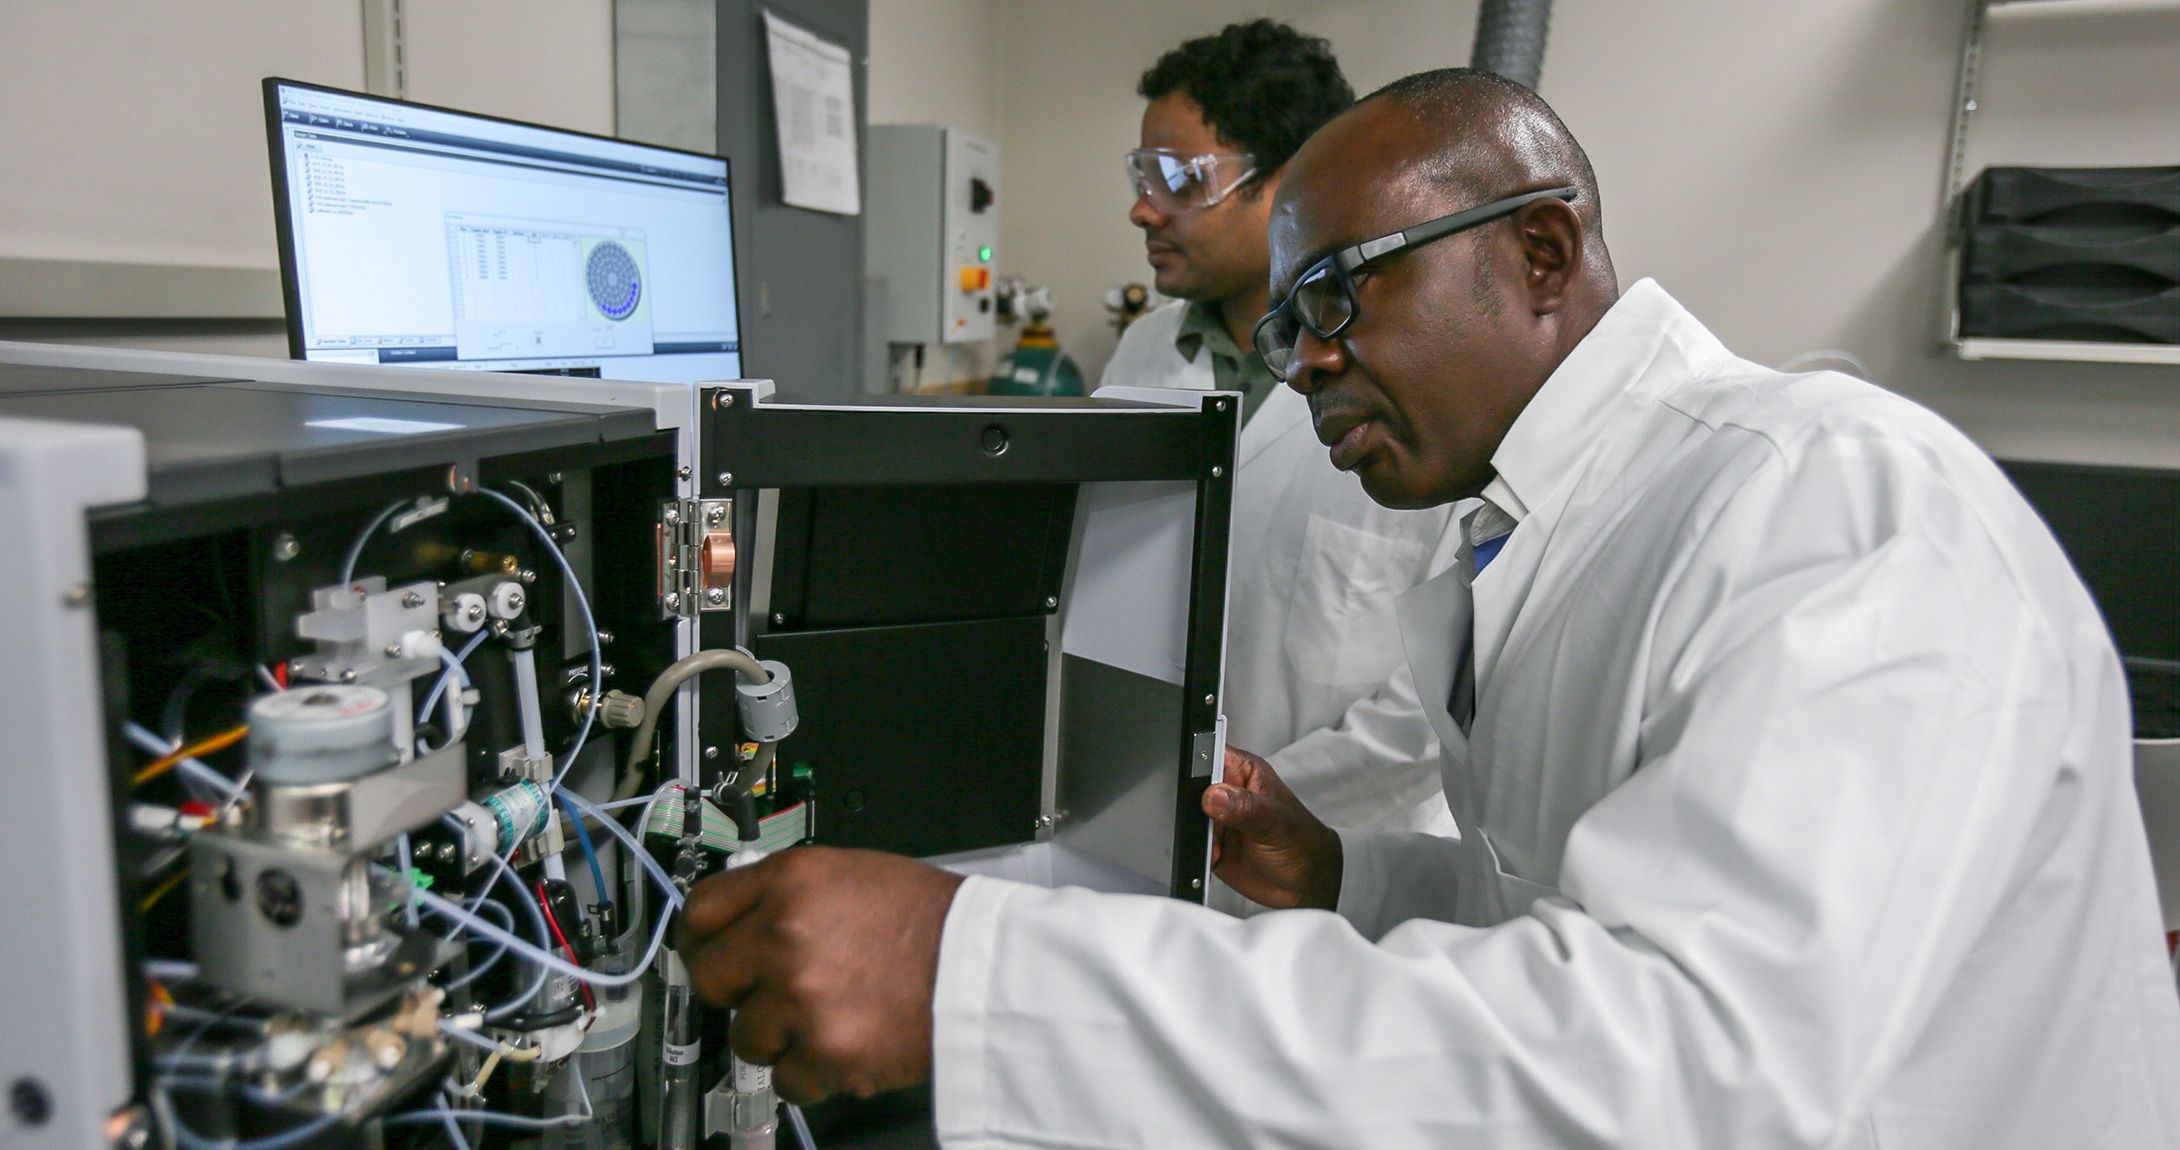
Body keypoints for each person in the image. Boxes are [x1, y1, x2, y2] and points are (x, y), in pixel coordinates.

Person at [678, 69, 2180, 1147]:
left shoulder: (1835, 509)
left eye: (1337, 297)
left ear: (1538, 254)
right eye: (1284, 324)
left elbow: (1694, 1074)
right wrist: (1359, 875)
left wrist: (979, 971)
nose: (1302, 361)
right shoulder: (1542, 528)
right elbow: (1575, 914)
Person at [1110, 19, 1459, 840]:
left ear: (1291, 183)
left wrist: (1249, 805)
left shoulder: (1410, 381)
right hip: (1147, 820)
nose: (1142, 210)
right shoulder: (1141, 354)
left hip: (1358, 859)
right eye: (1141, 175)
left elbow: (1441, 697)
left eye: (1178, 179)